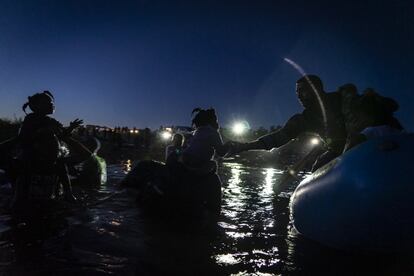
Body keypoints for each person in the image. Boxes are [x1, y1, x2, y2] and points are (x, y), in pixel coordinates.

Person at [232, 75, 347, 171]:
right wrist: (244, 146)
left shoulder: (342, 99)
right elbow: (276, 139)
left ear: (316, 90)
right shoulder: (304, 120)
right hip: (337, 152)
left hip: (357, 145)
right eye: (297, 92)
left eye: (303, 91)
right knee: (317, 167)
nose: (299, 96)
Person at [14, 91, 91, 204]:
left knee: (61, 166)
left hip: (52, 158)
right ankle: (18, 199)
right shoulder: (30, 119)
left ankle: (68, 193)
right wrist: (43, 131)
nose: (51, 105)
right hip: (34, 157)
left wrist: (71, 128)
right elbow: (24, 138)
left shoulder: (51, 121)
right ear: (36, 106)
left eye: (51, 102)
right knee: (26, 171)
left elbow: (62, 134)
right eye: (47, 102)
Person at [341, 87, 404, 151]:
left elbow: (394, 106)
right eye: (345, 95)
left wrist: (375, 95)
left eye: (349, 92)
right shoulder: (351, 106)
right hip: (370, 133)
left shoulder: (370, 98)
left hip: (388, 128)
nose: (349, 96)